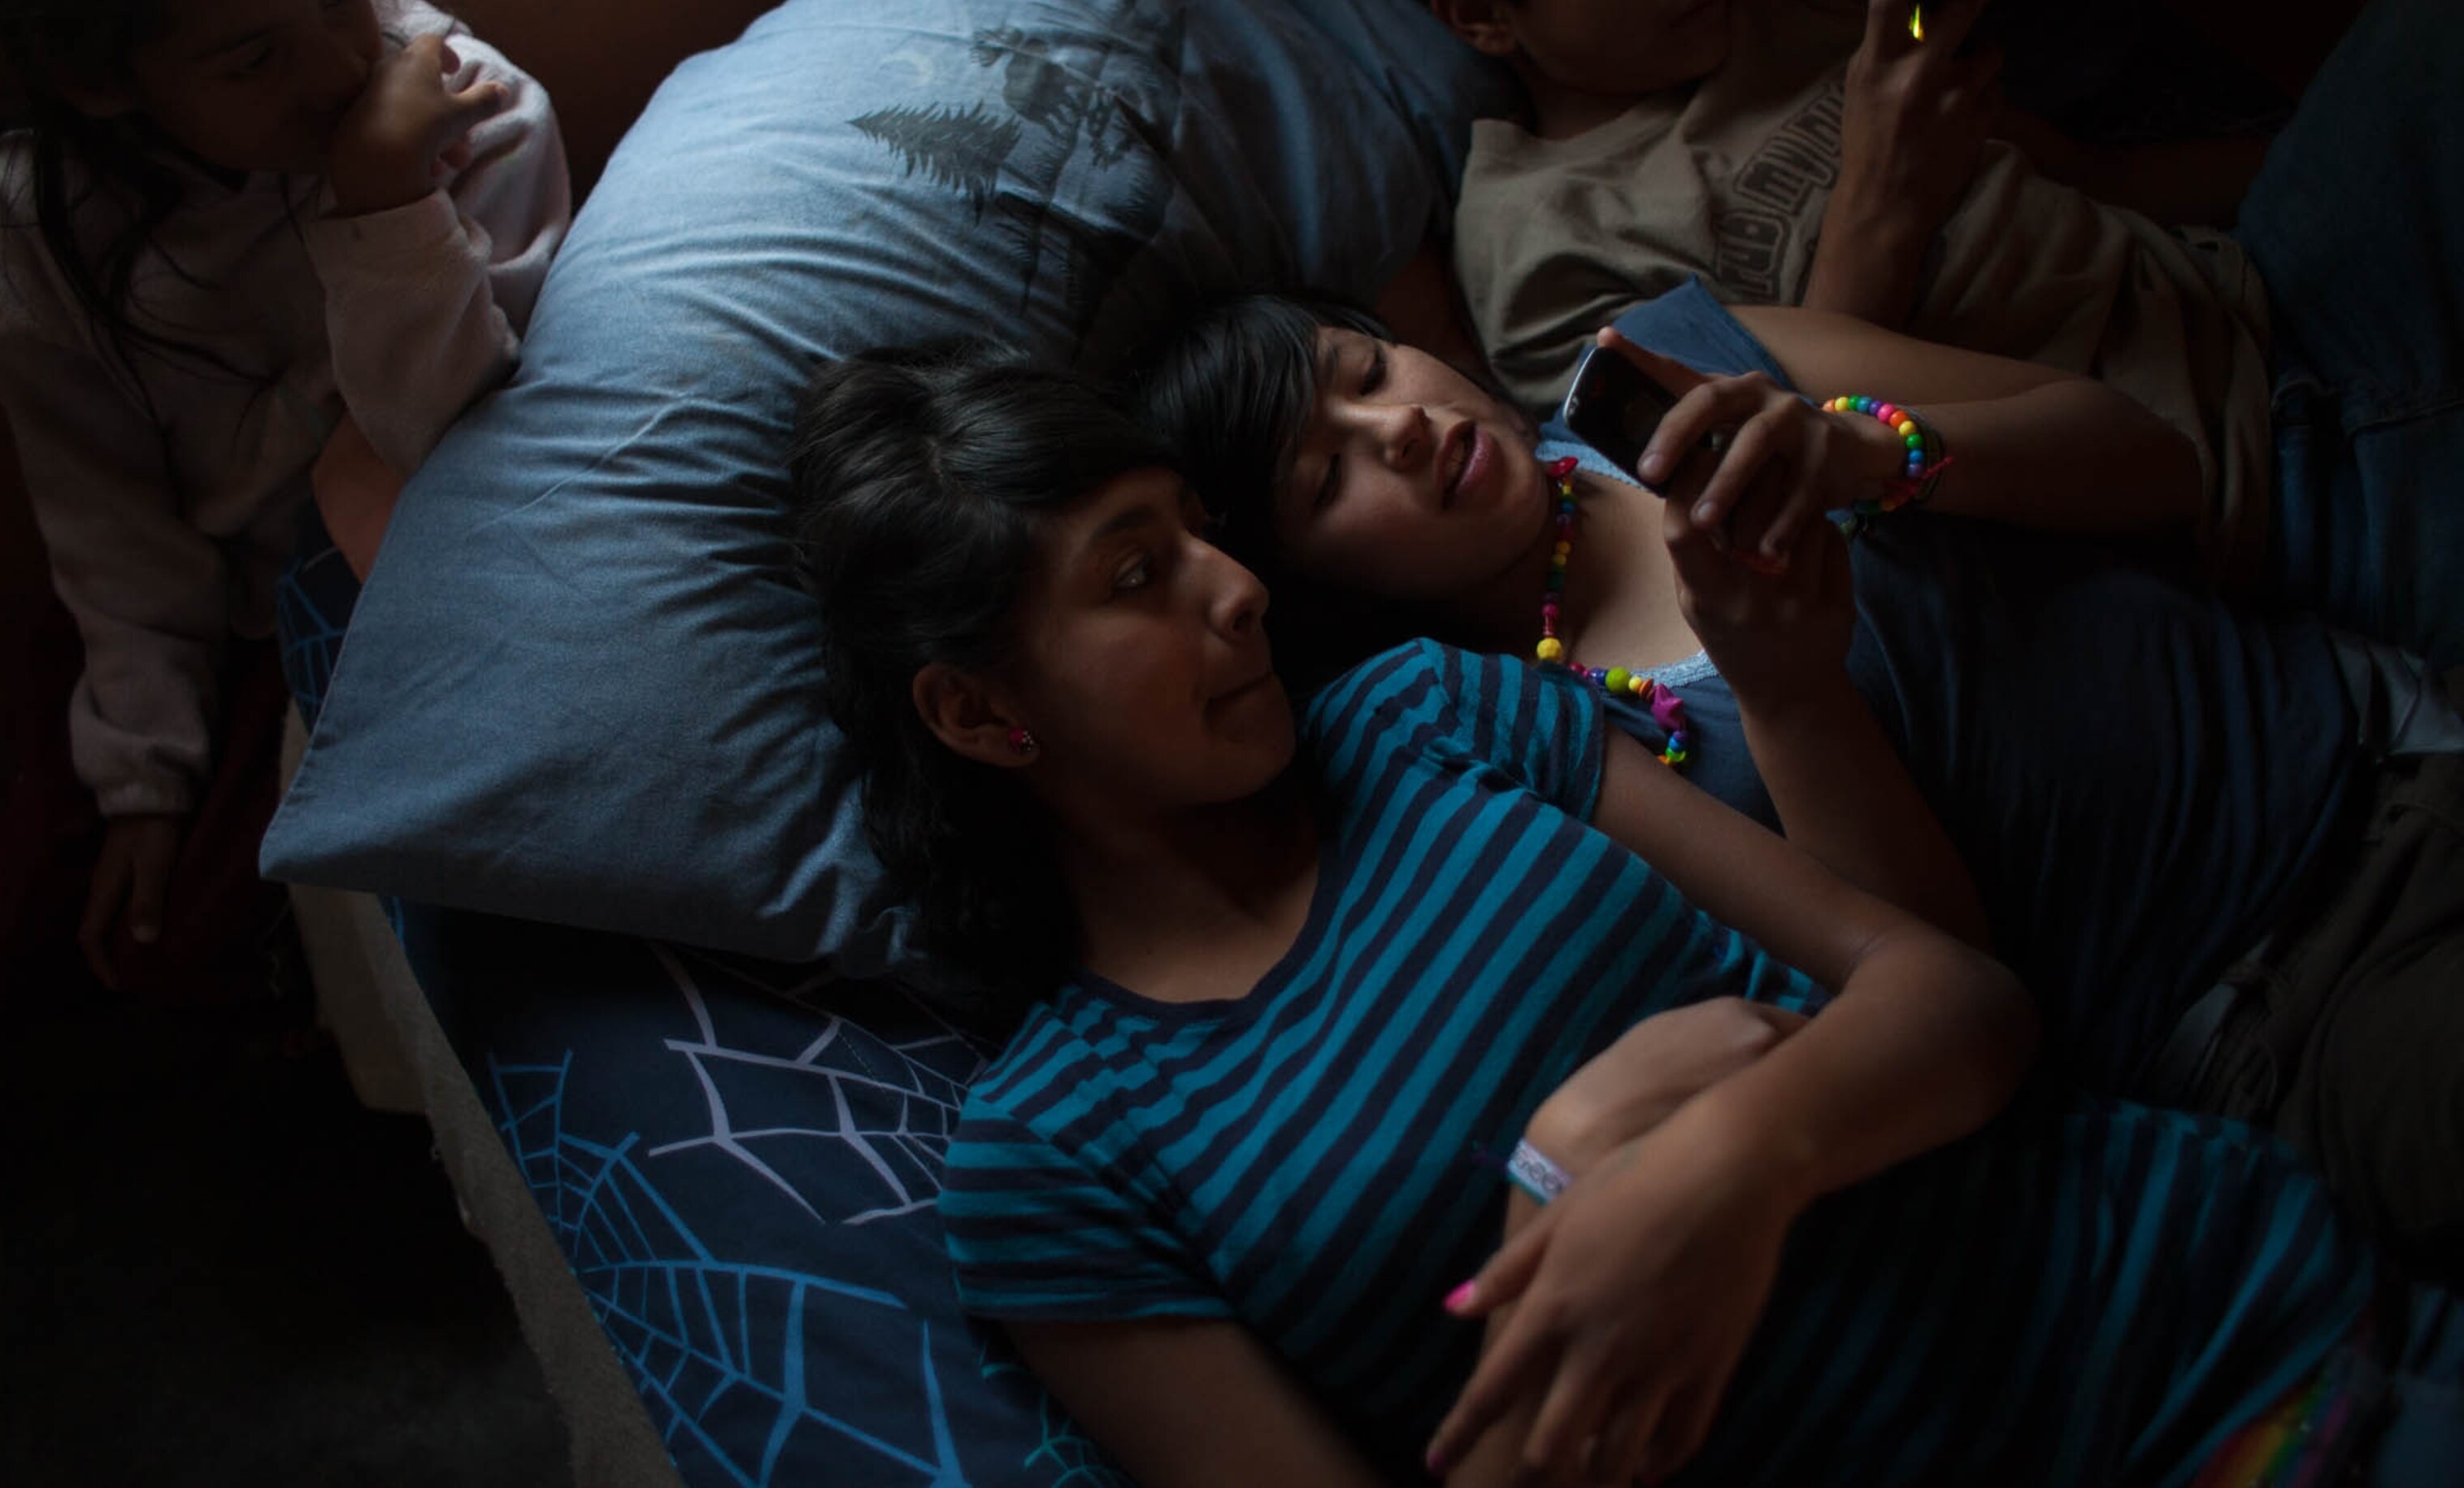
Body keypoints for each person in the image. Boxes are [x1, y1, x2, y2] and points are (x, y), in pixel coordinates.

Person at [790, 346, 2459, 1486]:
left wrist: (1746, 1156)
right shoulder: (1055, 1152)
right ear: (981, 715)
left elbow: (1966, 1005)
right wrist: (1571, 1192)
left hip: (2227, 1314)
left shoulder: (1421, 717)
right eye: (1138, 576)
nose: (1236, 592)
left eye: (1206, 537)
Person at [1129, 281, 2464, 1275]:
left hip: (2386, 731)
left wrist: (1883, 457)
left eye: (1367, 369)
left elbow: (2151, 464)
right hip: (2277, 1005)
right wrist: (1784, 691)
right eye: (1329, 471)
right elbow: (1947, 991)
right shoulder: (1528, 755)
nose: (1399, 426)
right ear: (1315, 591)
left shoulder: (1685, 355)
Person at [1351, 0, 2464, 668]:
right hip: (2253, 493)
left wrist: (2345, 150)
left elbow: (2086, 178)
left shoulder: (1776, 13)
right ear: (1481, 14)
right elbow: (1789, 517)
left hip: (2272, 290)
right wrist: (1884, 196)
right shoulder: (1546, 264)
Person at [0, 0, 570, 994]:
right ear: (100, 79)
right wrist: (146, 781)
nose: (344, 69)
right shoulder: (24, 230)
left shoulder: (473, 113)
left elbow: (442, 436)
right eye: (252, 61)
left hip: (407, 567)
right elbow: (108, 527)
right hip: (194, 616)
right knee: (63, 932)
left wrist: (386, 205)